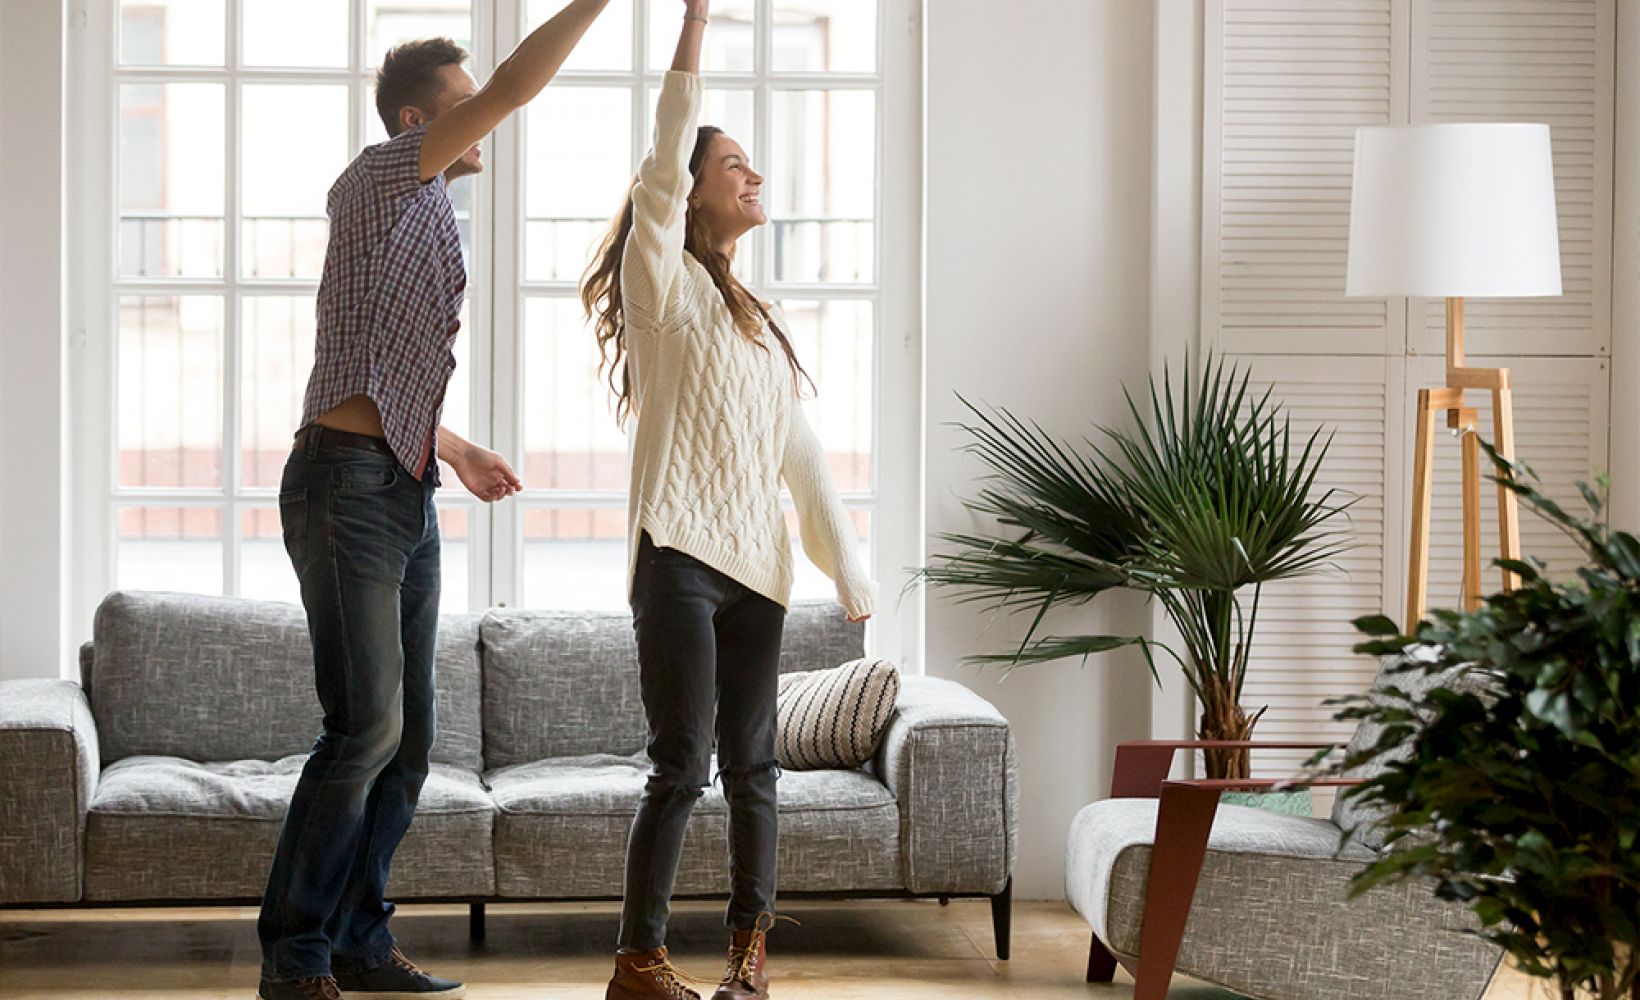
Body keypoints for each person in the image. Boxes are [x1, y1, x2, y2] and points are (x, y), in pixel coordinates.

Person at [255, 4, 612, 998]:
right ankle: (295, 955)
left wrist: (449, 447)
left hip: (398, 485)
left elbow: (371, 368)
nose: (485, 120)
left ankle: (362, 940)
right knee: (363, 725)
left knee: (408, 739)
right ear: (415, 121)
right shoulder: (379, 176)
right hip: (343, 486)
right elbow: (513, 89)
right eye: (462, 104)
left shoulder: (422, 216)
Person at [580, 2, 876, 998]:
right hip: (677, 556)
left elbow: (800, 455)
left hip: (761, 571)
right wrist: (697, 21)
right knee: (681, 767)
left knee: (755, 772)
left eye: (754, 164)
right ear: (692, 196)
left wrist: (848, 566)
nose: (754, 177)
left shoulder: (756, 318)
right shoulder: (661, 288)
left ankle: (747, 969)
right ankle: (638, 958)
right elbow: (662, 159)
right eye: (733, 165)